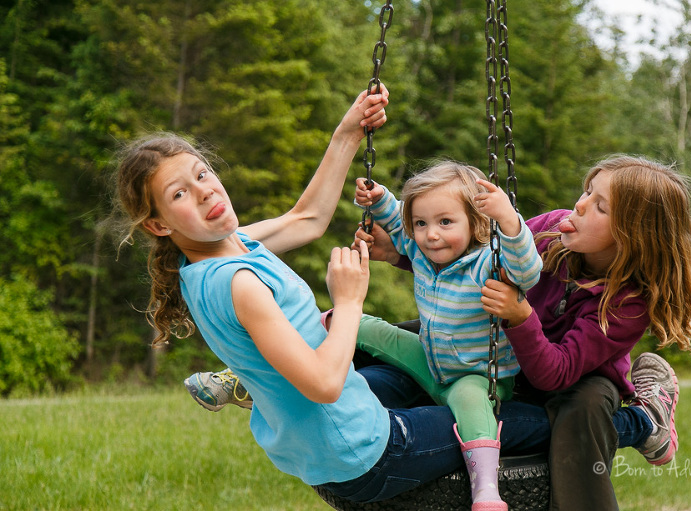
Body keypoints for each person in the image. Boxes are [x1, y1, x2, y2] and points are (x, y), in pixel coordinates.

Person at [114, 86, 554, 505]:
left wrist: (347, 133)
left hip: (319, 445)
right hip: (362, 451)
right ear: (159, 225)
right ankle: (623, 424)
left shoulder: (216, 251)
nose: (205, 190)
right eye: (180, 194)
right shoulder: (239, 282)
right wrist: (347, 303)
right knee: (523, 419)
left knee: (405, 376)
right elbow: (325, 384)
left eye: (202, 173)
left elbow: (306, 219)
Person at [358, 155, 691, 511]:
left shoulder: (629, 302)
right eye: (587, 191)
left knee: (582, 412)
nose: (579, 204)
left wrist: (520, 316)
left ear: (633, 234)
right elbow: (479, 259)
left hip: (574, 379)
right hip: (503, 348)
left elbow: (554, 374)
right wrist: (400, 255)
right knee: (419, 335)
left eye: (600, 206)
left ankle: (645, 421)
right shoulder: (552, 228)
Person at [349, 161, 542, 511]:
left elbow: (528, 271)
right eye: (421, 223)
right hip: (429, 360)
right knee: (363, 325)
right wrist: (379, 199)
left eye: (445, 222)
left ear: (476, 221)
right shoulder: (421, 254)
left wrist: (509, 220)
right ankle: (286, 358)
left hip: (476, 377)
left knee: (470, 403)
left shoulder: (487, 262)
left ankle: (485, 490)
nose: (431, 234)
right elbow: (395, 220)